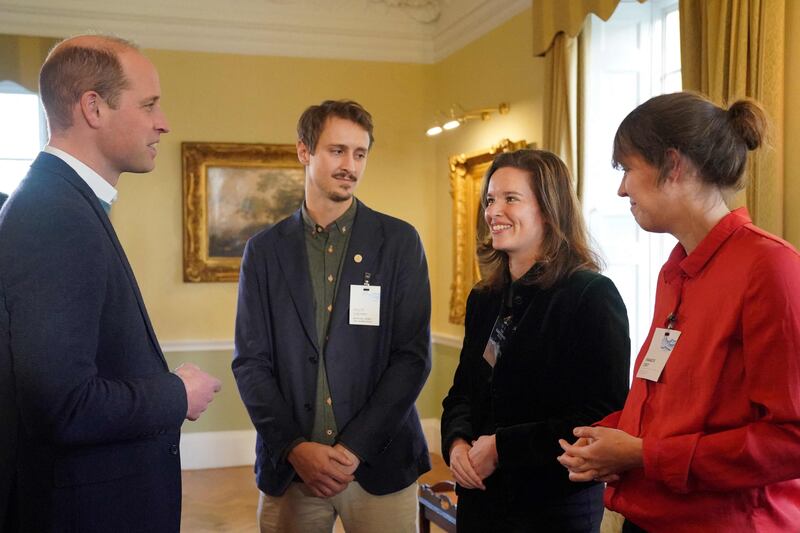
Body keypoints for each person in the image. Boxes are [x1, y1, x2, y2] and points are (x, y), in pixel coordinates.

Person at [0, 35, 221, 532]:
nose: (163, 122)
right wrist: (175, 394)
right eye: (148, 105)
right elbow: (62, 404)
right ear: (93, 108)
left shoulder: (66, 202)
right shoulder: (54, 215)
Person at [558, 92, 800, 532]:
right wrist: (607, 438)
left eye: (627, 169)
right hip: (650, 515)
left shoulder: (770, 267)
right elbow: (672, 402)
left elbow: (791, 438)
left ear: (672, 165)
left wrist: (641, 454)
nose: (621, 188)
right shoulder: (675, 270)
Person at [232, 99, 432, 533]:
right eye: (337, 151)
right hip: (292, 470)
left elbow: (412, 357)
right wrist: (294, 448)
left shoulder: (399, 242)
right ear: (304, 151)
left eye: (360, 154)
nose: (350, 165)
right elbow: (251, 363)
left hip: (380, 465)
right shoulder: (264, 252)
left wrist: (354, 449)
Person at [441, 149, 630, 532]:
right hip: (481, 499)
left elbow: (602, 414)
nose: (494, 212)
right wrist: (457, 443)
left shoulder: (591, 294)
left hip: (552, 506)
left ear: (548, 208)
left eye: (511, 199)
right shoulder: (485, 297)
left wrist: (502, 448)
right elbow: (463, 391)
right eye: (490, 200)